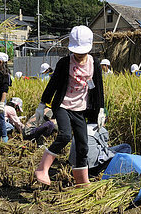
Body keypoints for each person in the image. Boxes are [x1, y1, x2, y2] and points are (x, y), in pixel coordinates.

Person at [34, 26, 105, 186]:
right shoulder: (65, 63)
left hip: (81, 108)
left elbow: (98, 88)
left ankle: (81, 181)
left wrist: (101, 109)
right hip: (63, 105)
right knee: (65, 135)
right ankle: (42, 169)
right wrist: (42, 104)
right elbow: (52, 84)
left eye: (83, 52)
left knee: (83, 145)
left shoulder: (94, 64)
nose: (79, 55)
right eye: (77, 51)